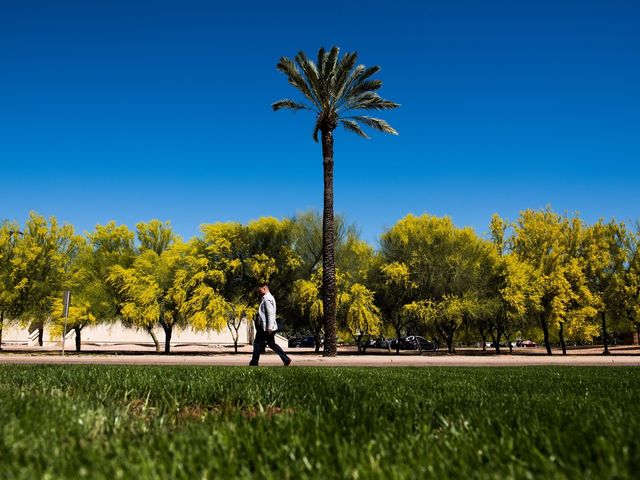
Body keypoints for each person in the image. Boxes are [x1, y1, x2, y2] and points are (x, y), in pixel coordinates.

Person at [249, 283, 291, 366]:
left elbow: (270, 314)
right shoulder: (267, 298)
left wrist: (269, 328)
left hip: (266, 328)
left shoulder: (267, 299)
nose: (259, 292)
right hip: (267, 327)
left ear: (264, 289)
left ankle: (254, 362)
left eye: (260, 290)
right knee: (272, 344)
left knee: (257, 343)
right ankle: (286, 359)